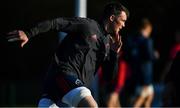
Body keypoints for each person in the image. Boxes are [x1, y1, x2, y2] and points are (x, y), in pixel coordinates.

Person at [6, 2, 129, 107]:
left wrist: (113, 54)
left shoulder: (108, 44)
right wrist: (29, 33)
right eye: (122, 21)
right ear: (112, 18)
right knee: (91, 106)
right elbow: (56, 23)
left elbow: (108, 77)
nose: (124, 25)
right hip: (63, 75)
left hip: (62, 91)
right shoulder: (88, 26)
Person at [123, 18, 158, 107]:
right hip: (145, 76)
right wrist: (155, 55)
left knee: (147, 99)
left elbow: (127, 57)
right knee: (140, 100)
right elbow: (149, 56)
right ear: (147, 28)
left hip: (134, 74)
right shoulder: (147, 41)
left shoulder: (132, 40)